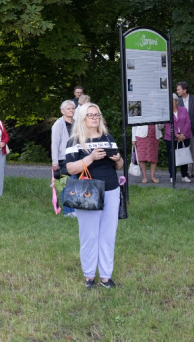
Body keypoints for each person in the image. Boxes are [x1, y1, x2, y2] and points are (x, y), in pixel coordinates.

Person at [65, 103, 124, 289]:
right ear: (82, 118)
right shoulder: (74, 141)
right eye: (90, 115)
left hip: (111, 189)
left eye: (97, 114)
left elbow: (120, 166)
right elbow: (70, 168)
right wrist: (90, 158)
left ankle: (106, 277)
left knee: (108, 235)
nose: (94, 118)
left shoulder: (108, 138)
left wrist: (118, 159)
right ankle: (89, 276)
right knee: (89, 235)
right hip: (88, 191)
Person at [51, 100, 76, 217]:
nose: (71, 110)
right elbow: (54, 143)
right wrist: (55, 161)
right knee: (66, 185)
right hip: (63, 158)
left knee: (75, 184)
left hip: (76, 157)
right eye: (68, 109)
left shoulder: (76, 123)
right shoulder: (58, 124)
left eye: (72, 108)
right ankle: (67, 211)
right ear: (62, 111)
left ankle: (74, 209)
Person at [176, 81, 194, 178]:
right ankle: (186, 171)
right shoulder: (177, 101)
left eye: (179, 89)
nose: (177, 91)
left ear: (185, 90)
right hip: (182, 131)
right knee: (185, 150)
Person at [164, 94, 192, 183]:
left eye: (172, 101)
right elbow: (167, 126)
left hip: (185, 137)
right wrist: (176, 135)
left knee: (184, 156)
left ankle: (184, 175)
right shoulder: (166, 112)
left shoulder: (183, 110)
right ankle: (172, 176)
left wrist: (183, 135)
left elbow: (188, 122)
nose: (170, 103)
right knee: (172, 157)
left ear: (176, 101)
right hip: (171, 138)